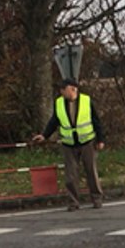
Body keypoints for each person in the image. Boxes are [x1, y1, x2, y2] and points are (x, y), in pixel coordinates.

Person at [31, 79, 105, 211]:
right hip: (68, 143)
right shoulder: (59, 103)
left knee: (91, 172)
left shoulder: (86, 101)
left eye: (63, 89)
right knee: (71, 175)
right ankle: (73, 202)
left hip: (87, 141)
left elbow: (96, 120)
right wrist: (44, 135)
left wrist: (100, 140)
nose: (61, 92)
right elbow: (54, 121)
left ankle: (97, 199)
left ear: (71, 89)